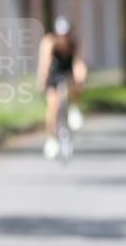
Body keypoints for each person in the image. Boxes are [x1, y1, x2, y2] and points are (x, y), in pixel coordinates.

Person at [37, 16, 88, 159]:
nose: (64, 38)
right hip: (53, 72)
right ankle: (52, 138)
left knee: (74, 84)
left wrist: (81, 78)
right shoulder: (49, 42)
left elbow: (79, 62)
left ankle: (74, 109)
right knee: (53, 106)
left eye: (66, 35)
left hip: (67, 71)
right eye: (61, 35)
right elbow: (45, 63)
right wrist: (42, 81)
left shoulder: (74, 43)